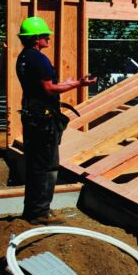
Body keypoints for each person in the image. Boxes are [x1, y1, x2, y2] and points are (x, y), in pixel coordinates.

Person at [16, 16, 97, 223]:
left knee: (35, 165)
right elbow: (48, 88)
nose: (48, 39)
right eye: (45, 36)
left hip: (32, 117)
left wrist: (66, 84)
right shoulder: (38, 58)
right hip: (43, 122)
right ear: (36, 38)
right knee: (47, 166)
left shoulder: (23, 57)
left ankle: (32, 210)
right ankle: (40, 214)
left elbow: (40, 87)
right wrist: (78, 84)